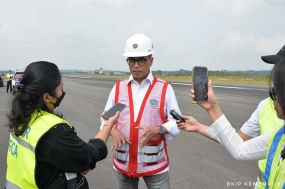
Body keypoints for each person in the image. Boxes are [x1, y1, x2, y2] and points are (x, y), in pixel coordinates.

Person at [5, 61, 120, 189]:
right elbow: (89, 154)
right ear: (47, 97)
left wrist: (73, 163)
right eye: (61, 87)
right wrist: (108, 125)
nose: (62, 92)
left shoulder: (22, 118)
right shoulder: (53, 131)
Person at [178, 59, 285, 188]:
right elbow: (238, 146)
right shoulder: (278, 133)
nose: (273, 100)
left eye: (275, 92)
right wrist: (203, 120)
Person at [100, 34, 181, 189]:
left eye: (141, 60)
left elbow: (176, 124)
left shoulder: (164, 89)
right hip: (123, 165)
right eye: (131, 60)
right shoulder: (119, 88)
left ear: (151, 60)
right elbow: (106, 118)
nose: (136, 65)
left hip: (155, 166)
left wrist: (158, 129)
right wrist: (113, 130)